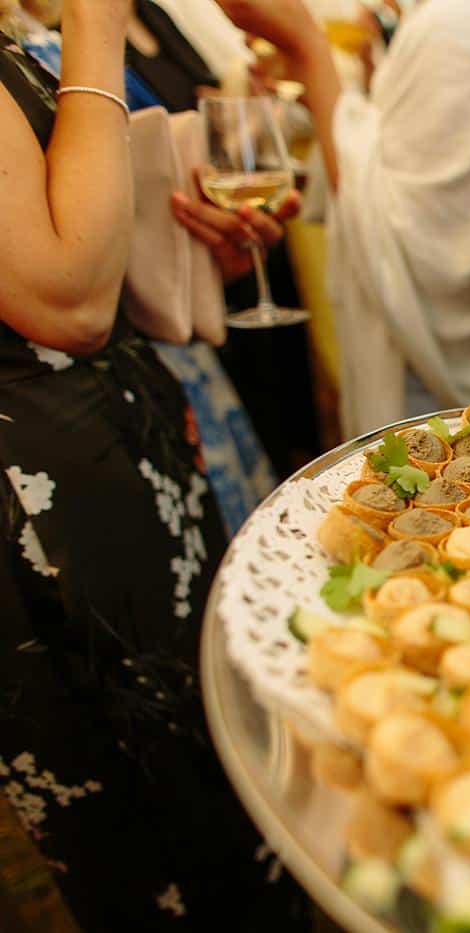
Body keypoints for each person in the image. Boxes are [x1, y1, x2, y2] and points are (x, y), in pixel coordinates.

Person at [0, 0, 307, 927]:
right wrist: (96, 18)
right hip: (53, 519)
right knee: (172, 839)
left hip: (115, 465)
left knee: (220, 792)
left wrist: (189, 232)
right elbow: (64, 301)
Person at [217, 0, 470, 436]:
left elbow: (414, 233)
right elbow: (398, 157)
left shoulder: (456, 21)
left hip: (436, 399)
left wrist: (308, 48)